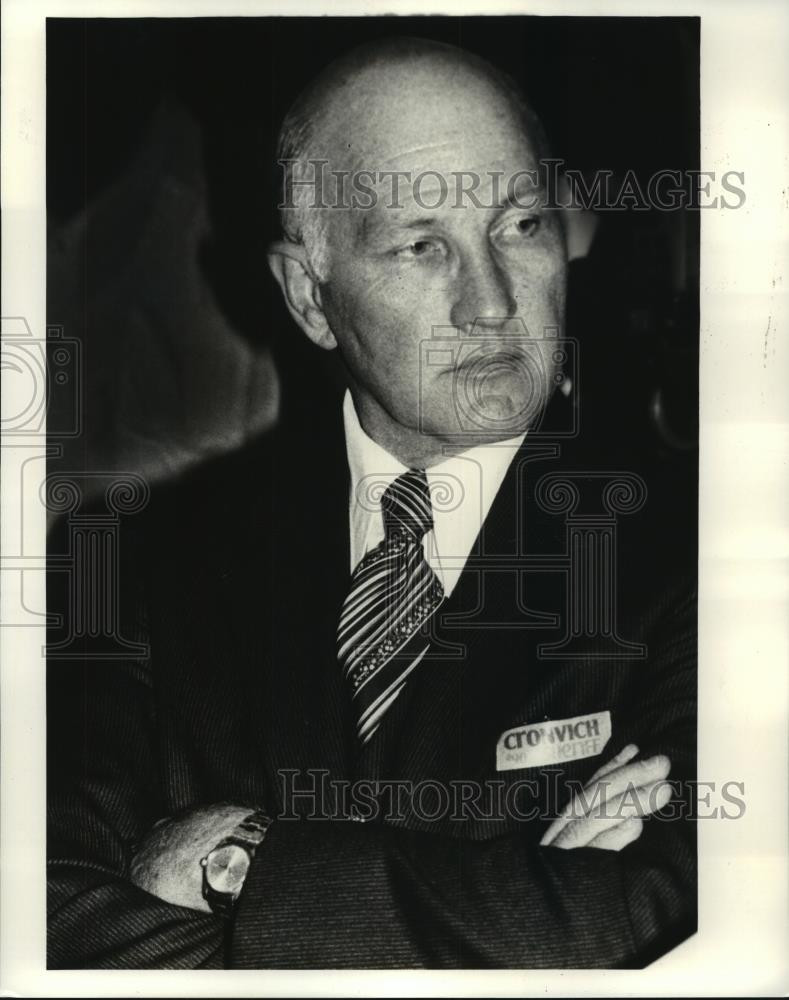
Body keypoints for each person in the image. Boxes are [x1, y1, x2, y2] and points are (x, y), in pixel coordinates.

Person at [47, 36, 696, 969]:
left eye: (520, 226)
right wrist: (523, 888)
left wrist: (244, 869)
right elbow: (41, 910)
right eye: (421, 246)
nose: (490, 304)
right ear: (309, 297)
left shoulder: (719, 546)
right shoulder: (128, 564)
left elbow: (668, 908)